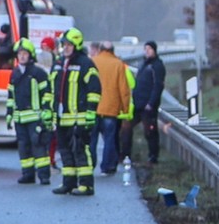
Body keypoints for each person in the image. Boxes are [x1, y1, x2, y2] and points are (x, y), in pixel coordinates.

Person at [51, 28, 101, 196]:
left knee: (80, 150)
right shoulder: (58, 64)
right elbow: (52, 90)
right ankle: (68, 183)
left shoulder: (85, 63)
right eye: (64, 44)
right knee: (64, 152)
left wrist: (91, 112)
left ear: (77, 45)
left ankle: (86, 185)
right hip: (62, 117)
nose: (65, 47)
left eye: (69, 44)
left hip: (79, 117)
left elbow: (94, 89)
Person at [8, 39, 53, 185]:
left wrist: (46, 110)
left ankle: (44, 175)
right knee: (23, 147)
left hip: (35, 117)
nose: (22, 56)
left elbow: (47, 93)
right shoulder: (14, 74)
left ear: (30, 55)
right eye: (19, 53)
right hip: (20, 118)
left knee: (38, 145)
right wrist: (9, 113)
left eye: (24, 53)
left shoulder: (38, 73)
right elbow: (10, 96)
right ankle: (27, 174)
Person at [91, 40, 130, 176]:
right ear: (113, 50)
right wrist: (125, 109)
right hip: (111, 109)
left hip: (93, 108)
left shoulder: (93, 62)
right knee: (109, 139)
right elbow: (124, 90)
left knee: (91, 140)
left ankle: (89, 165)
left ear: (100, 49)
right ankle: (107, 167)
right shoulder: (118, 64)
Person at [133, 39, 166, 165]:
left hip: (148, 105)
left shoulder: (157, 65)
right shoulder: (144, 64)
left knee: (150, 131)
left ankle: (153, 156)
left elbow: (158, 86)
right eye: (145, 49)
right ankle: (126, 154)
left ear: (154, 50)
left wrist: (151, 103)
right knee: (127, 127)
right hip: (138, 104)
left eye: (149, 49)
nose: (147, 51)